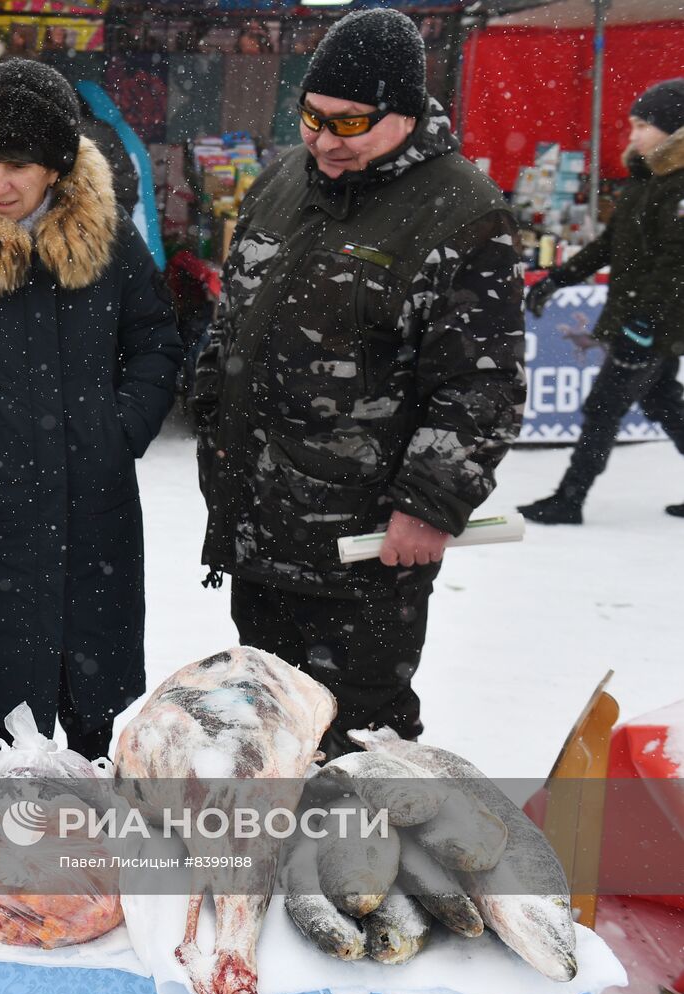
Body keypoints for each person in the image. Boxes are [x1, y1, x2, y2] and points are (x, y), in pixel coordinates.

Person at [191, 9, 526, 757]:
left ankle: (359, 871)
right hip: (259, 529)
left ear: (405, 114)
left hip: (365, 552)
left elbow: (481, 385)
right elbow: (232, 320)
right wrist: (213, 417)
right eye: (311, 118)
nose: (321, 140)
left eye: (349, 125)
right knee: (267, 735)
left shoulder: (460, 212)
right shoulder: (281, 182)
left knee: (360, 746)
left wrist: (430, 506)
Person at [0, 59, 181, 761]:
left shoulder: (108, 238)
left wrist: (120, 432)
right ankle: (2, 852)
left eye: (17, 165)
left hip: (95, 501)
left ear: (54, 166)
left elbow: (154, 341)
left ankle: (81, 854)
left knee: (91, 707)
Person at [519, 78, 684, 524]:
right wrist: (557, 278)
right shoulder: (649, 177)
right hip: (640, 315)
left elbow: (675, 265)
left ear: (673, 129)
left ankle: (570, 499)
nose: (632, 135)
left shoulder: (678, 186)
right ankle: (569, 498)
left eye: (642, 125)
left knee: (604, 405)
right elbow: (610, 244)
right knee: (662, 399)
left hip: (652, 320)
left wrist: (644, 325)